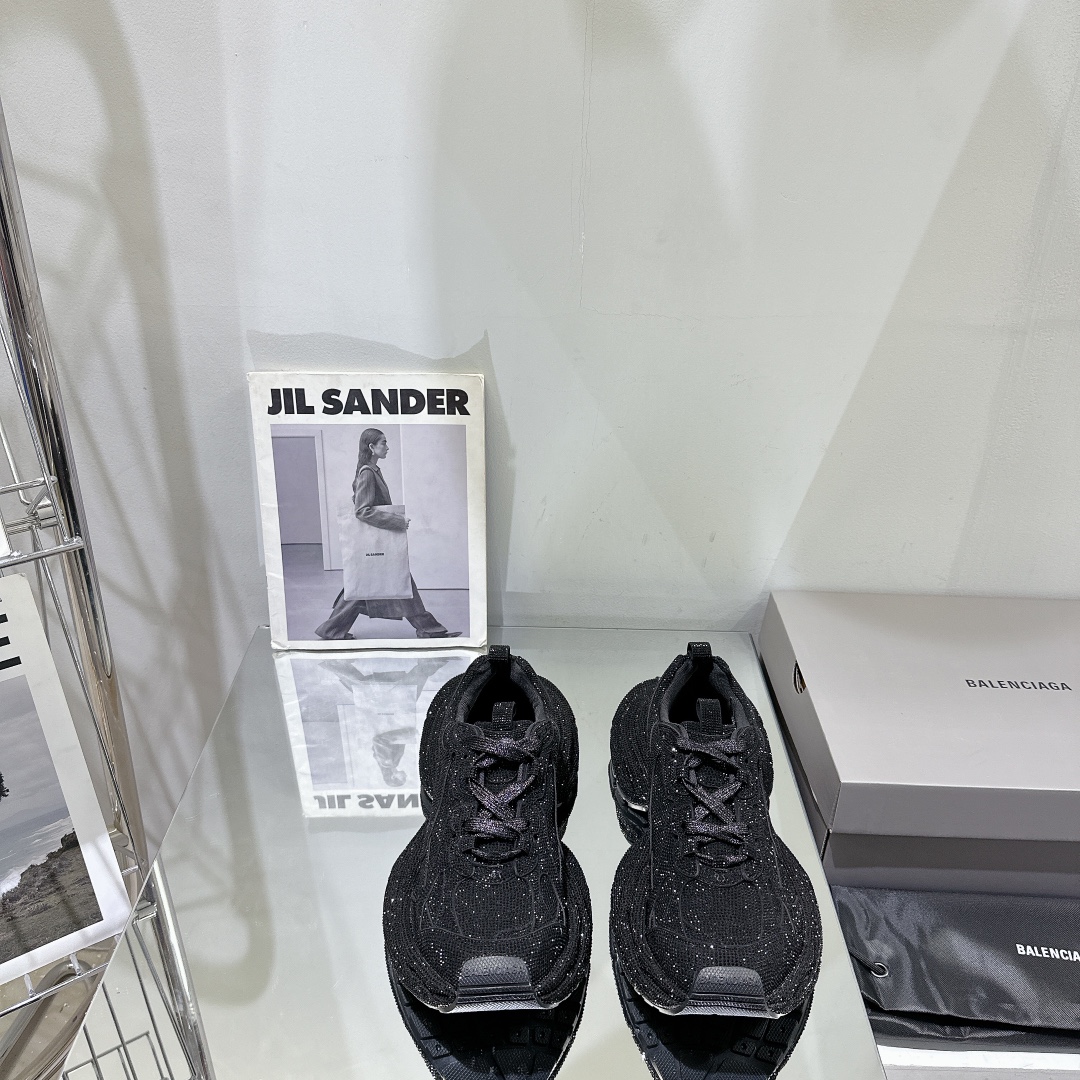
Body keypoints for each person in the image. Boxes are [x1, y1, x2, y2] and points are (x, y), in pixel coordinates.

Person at [315, 428, 461, 639]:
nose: (387, 447)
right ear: (371, 447)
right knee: (379, 585)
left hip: (377, 543)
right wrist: (397, 521)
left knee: (374, 585)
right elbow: (362, 510)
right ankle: (428, 629)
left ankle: (332, 630)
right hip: (376, 543)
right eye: (383, 443)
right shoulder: (367, 473)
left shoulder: (372, 471)